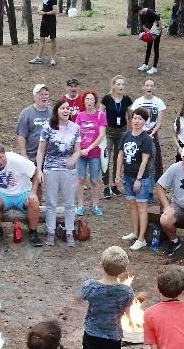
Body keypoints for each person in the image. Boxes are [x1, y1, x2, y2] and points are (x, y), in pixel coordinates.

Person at [36, 99, 81, 246]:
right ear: (57, 111)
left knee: (69, 203)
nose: (66, 111)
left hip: (69, 171)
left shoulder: (75, 128)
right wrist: (39, 170)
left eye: (68, 108)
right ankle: (50, 232)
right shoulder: (47, 128)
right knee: (51, 203)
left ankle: (69, 232)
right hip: (51, 169)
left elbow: (77, 150)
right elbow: (41, 151)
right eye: (63, 108)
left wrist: (72, 160)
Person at [0, 143, 43, 247]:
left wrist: (33, 193)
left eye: (1, 157)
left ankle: (33, 233)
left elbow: (36, 172)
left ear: (5, 154)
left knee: (33, 201)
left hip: (22, 192)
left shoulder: (17, 160)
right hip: (2, 194)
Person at [115, 108, 156, 251]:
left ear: (144, 122)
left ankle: (142, 239)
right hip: (128, 175)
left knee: (142, 208)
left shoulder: (146, 139)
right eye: (135, 118)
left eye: (140, 119)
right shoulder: (126, 135)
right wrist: (117, 174)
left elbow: (145, 161)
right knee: (132, 205)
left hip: (142, 178)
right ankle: (135, 232)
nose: (136, 121)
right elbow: (120, 155)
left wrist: (139, 179)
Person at [75, 88, 107, 216]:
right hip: (81, 153)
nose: (89, 101)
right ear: (84, 101)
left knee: (94, 180)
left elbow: (101, 135)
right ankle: (80, 205)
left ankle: (95, 205)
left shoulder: (100, 115)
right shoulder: (80, 116)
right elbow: (75, 133)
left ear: (95, 101)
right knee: (80, 179)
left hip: (94, 153)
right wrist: (79, 150)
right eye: (87, 99)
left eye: (92, 99)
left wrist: (89, 149)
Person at [100, 76, 131, 198]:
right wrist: (101, 129)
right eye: (118, 84)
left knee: (118, 159)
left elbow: (130, 115)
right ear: (113, 85)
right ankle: (106, 186)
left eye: (123, 84)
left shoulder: (126, 99)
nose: (121, 86)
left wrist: (129, 131)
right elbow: (100, 114)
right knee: (106, 157)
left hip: (122, 131)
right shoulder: (107, 99)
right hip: (109, 131)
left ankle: (115, 185)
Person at [130, 78, 167, 176]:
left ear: (154, 87)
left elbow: (159, 122)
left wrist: (151, 134)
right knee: (137, 158)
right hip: (140, 133)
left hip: (152, 134)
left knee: (152, 159)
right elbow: (134, 120)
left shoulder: (158, 102)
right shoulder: (138, 102)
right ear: (143, 87)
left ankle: (150, 184)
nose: (149, 88)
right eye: (147, 85)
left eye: (151, 86)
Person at [16, 84, 52, 163]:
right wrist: (23, 154)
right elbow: (21, 135)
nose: (44, 97)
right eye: (41, 94)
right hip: (31, 156)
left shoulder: (53, 112)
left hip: (49, 157)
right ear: (34, 96)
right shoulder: (26, 113)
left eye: (46, 94)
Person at [29, 0, 59, 66]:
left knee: (52, 39)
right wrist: (40, 10)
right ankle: (38, 58)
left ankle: (52, 59)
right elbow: (44, 5)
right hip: (44, 21)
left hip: (51, 21)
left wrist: (44, 13)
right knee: (42, 39)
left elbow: (55, 11)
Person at [136, 5, 162, 74]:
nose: (139, 15)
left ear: (140, 10)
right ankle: (145, 64)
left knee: (156, 48)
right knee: (148, 47)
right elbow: (143, 25)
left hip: (156, 31)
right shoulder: (142, 15)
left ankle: (154, 67)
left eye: (138, 13)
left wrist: (158, 31)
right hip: (150, 32)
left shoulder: (150, 12)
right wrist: (147, 32)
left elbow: (159, 20)